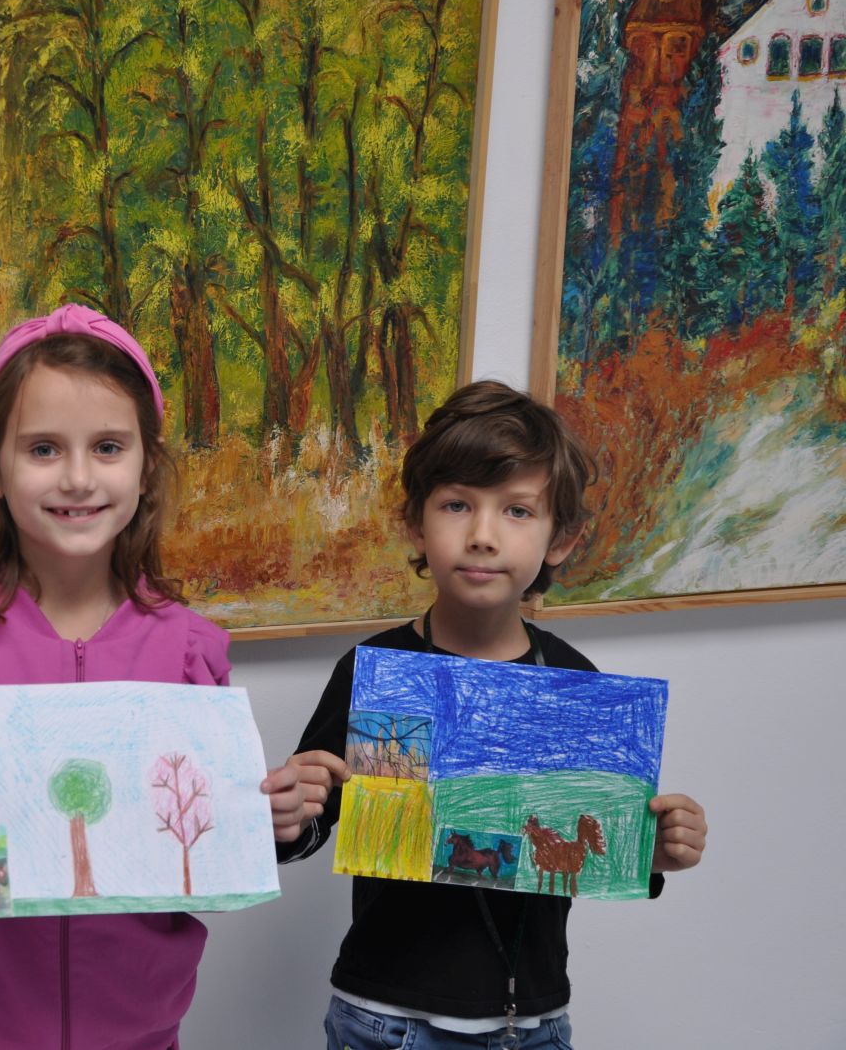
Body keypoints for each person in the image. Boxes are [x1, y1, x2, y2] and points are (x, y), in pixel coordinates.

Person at [0, 304, 306, 1049]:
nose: (78, 478)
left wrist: (264, 821)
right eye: (44, 449)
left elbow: (197, 855)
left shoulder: (188, 651)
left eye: (108, 447)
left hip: (138, 1035)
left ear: (147, 467)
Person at [278, 380, 708, 1050]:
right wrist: (287, 814)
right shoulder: (375, 670)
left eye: (516, 510)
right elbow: (307, 828)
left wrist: (649, 852)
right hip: (385, 1019)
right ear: (416, 524)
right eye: (457, 505)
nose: (482, 535)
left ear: (560, 538)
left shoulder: (573, 682)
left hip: (532, 1024)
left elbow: (591, 848)